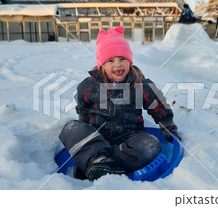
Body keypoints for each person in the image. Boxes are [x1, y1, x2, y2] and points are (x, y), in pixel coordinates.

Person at [58, 26, 181, 181]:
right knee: (70, 128)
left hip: (130, 137)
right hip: (98, 135)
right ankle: (97, 159)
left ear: (129, 61)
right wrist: (84, 125)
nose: (118, 64)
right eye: (110, 60)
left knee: (151, 145)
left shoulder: (139, 84)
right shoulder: (89, 85)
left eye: (122, 59)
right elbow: (82, 105)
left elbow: (157, 104)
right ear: (101, 65)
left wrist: (166, 124)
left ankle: (98, 164)